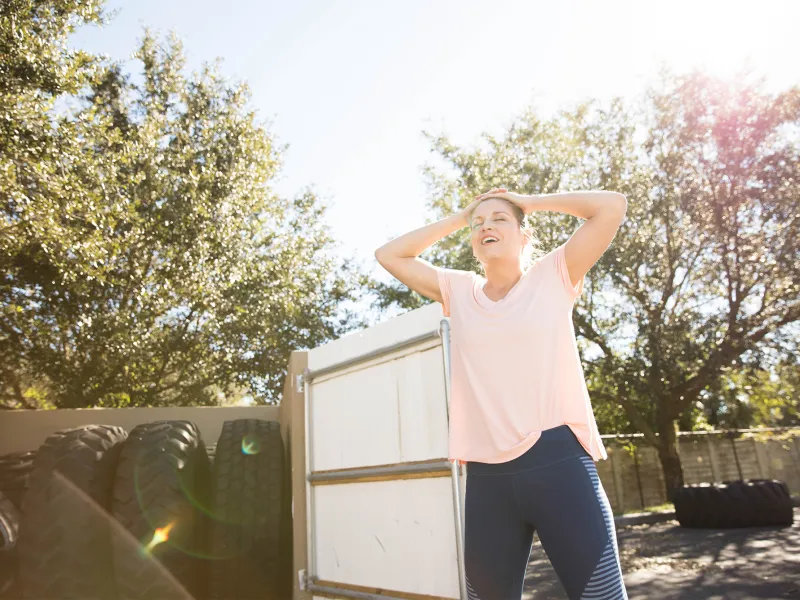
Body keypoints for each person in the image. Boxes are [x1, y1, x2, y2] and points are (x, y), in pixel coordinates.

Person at [375, 187, 629, 599]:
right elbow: (390, 255)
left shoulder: (554, 274)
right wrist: (462, 216)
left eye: (500, 219)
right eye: (479, 225)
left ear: (525, 235)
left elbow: (612, 207)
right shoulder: (458, 290)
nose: (485, 226)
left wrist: (529, 201)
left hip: (560, 466)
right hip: (487, 481)